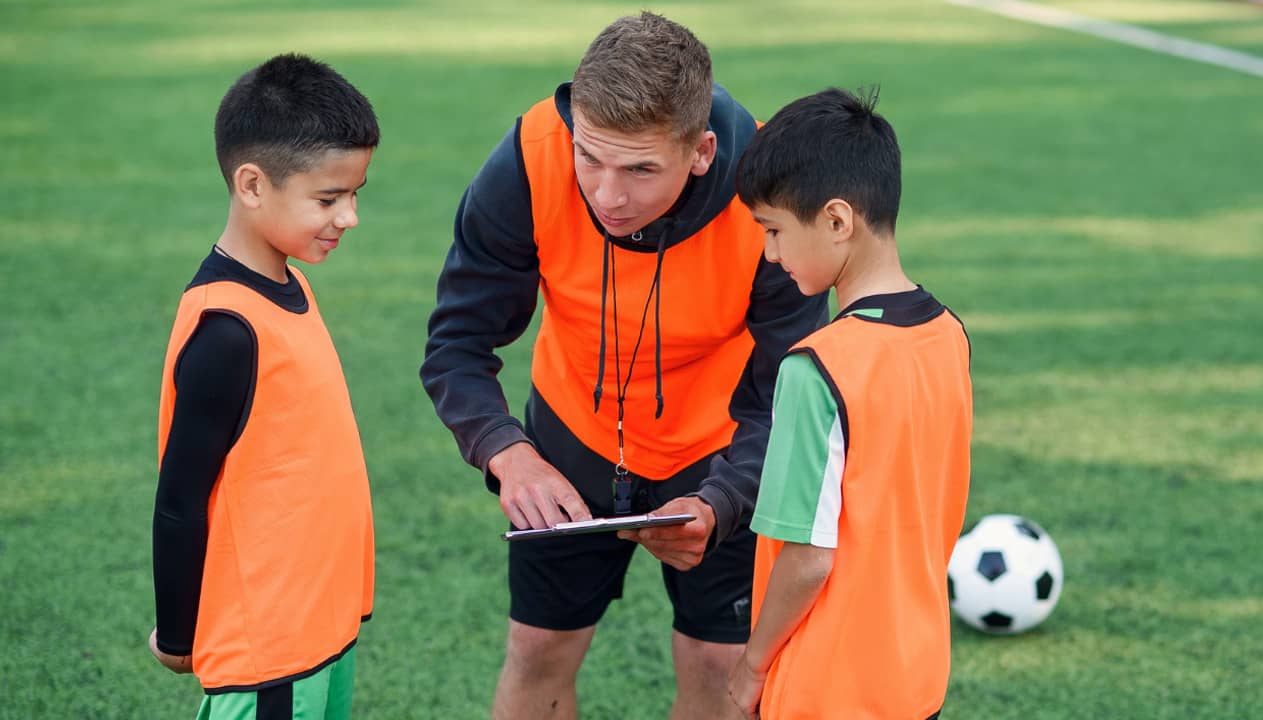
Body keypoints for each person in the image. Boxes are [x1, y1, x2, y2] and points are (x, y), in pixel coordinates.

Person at [419, 11, 828, 720]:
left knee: (719, 664)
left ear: (701, 152)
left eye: (641, 169)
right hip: (569, 437)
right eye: (591, 158)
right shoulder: (529, 156)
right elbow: (458, 342)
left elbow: (787, 396)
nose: (608, 195)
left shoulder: (766, 194)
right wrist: (507, 454)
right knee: (537, 650)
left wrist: (720, 503)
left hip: (716, 452)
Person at [725, 87, 973, 720]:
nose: (770, 253)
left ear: (838, 220)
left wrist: (751, 667)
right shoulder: (949, 336)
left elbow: (808, 558)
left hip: (824, 688)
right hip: (916, 677)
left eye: (773, 230)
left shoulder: (817, 368)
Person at [148, 53, 379, 720]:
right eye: (329, 199)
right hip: (270, 652)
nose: (349, 217)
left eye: (356, 194)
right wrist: (178, 633)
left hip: (321, 626)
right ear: (252, 184)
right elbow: (179, 498)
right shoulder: (226, 330)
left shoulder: (289, 283)